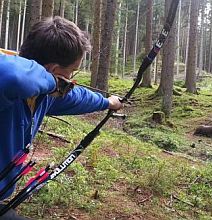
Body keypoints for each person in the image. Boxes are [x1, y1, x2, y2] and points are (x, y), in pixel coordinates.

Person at [0, 16, 123, 219]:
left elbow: (79, 97)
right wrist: (51, 80)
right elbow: (14, 76)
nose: (71, 79)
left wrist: (108, 102)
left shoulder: (44, 96)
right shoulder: (9, 82)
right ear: (54, 71)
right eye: (71, 71)